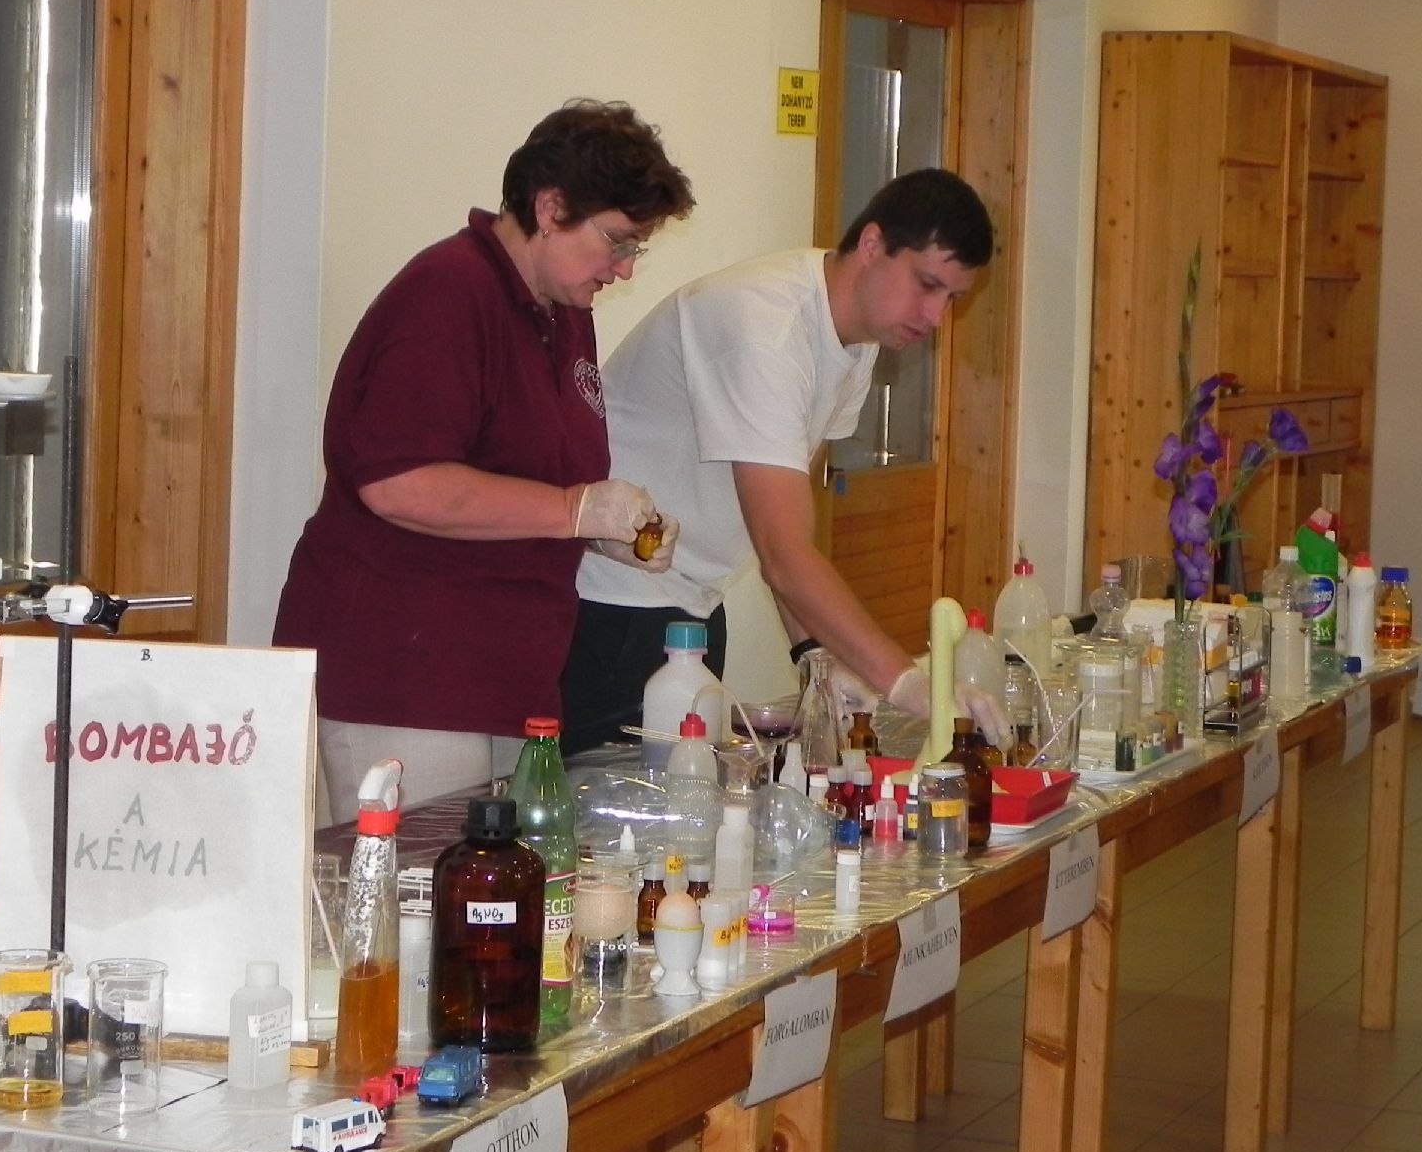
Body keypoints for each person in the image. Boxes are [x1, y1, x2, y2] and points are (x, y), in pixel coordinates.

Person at [275, 100, 696, 821]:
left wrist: (604, 530)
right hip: (406, 673)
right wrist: (572, 509)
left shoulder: (562, 311)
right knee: (419, 884)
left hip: (508, 674)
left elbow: (523, 477)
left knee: (498, 886)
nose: (624, 270)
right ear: (550, 207)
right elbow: (397, 482)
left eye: (637, 249)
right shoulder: (448, 292)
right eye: (617, 241)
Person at [562, 168, 1005, 749]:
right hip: (612, 602)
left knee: (694, 790)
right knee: (626, 803)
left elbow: (778, 523)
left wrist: (814, 654)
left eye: (952, 298)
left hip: (691, 601)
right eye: (926, 284)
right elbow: (784, 556)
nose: (935, 316)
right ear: (872, 244)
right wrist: (910, 684)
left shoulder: (855, 339)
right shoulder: (766, 329)